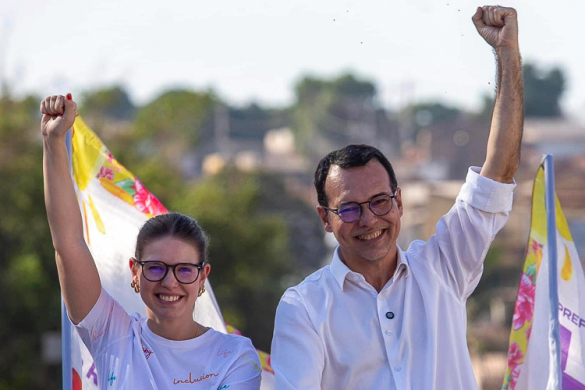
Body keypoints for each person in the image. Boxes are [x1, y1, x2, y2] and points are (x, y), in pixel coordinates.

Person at [271, 5, 523, 389]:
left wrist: (506, 55)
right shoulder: (304, 308)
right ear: (326, 218)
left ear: (399, 202)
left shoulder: (442, 268)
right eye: (350, 209)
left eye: (379, 202)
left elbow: (499, 170)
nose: (370, 220)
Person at [41, 94, 262, 389]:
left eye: (184, 269)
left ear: (202, 277)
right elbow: (68, 243)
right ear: (135, 271)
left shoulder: (237, 357)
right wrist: (53, 143)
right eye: (156, 268)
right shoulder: (111, 335)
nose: (170, 283)